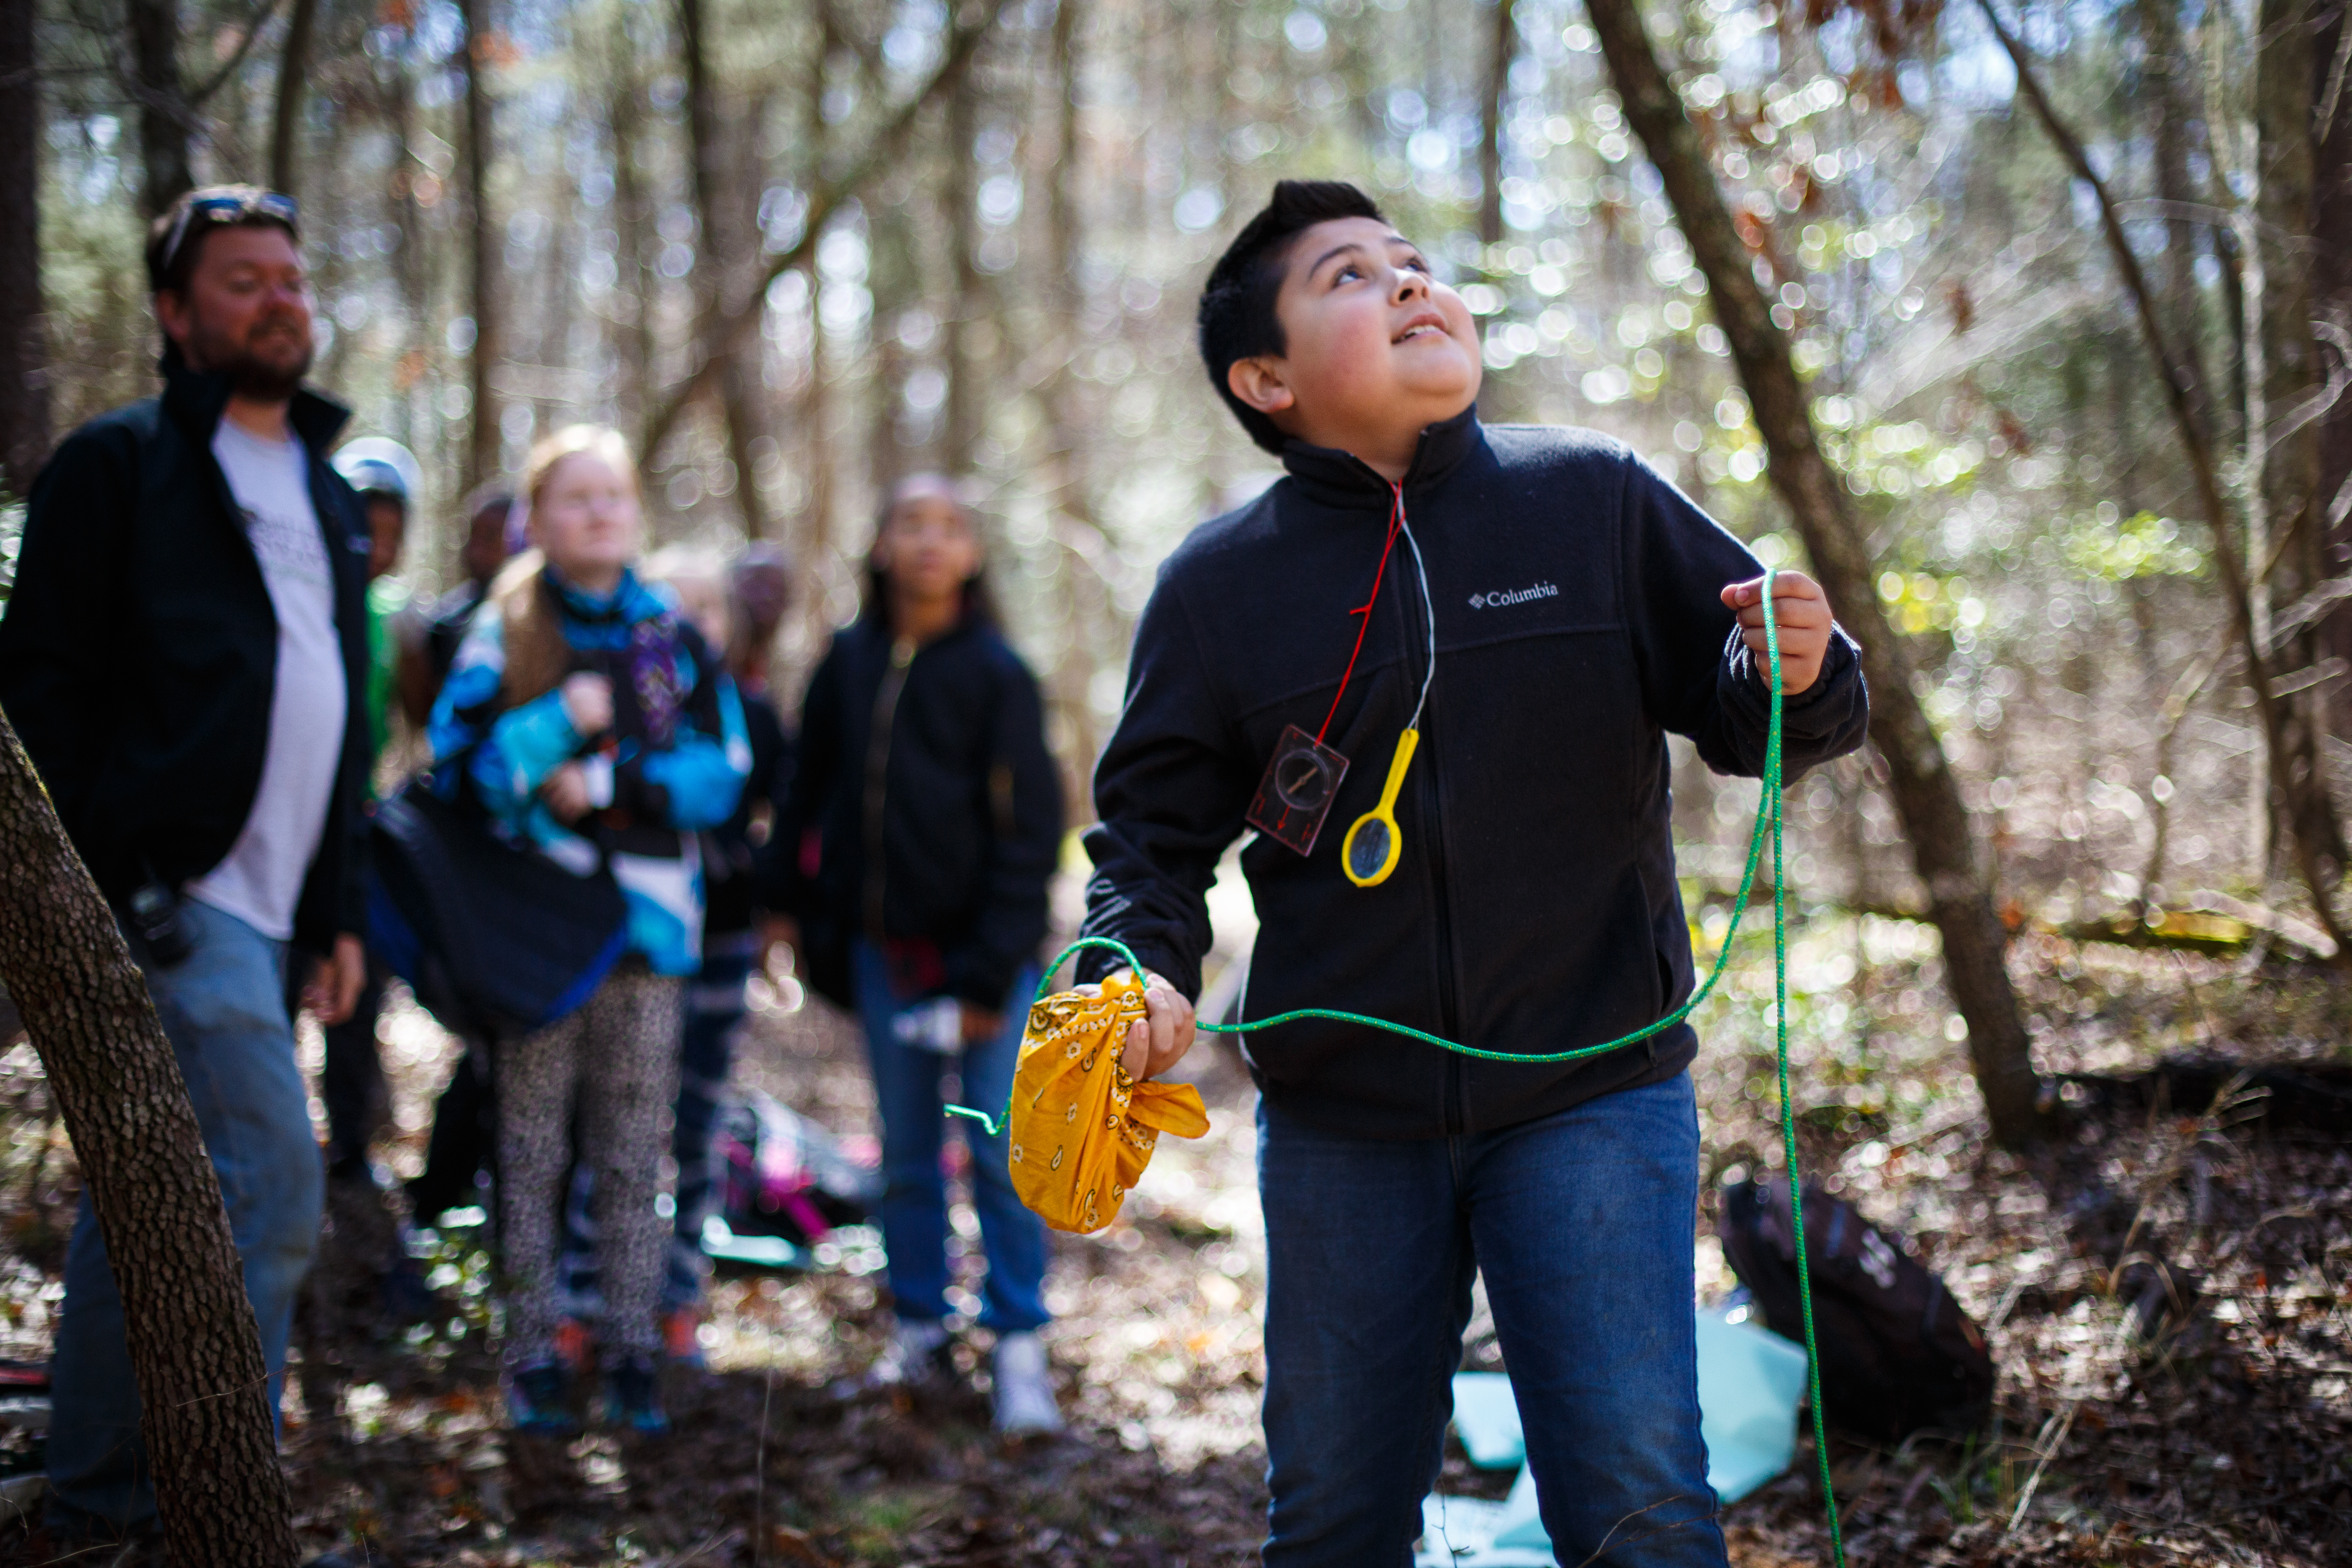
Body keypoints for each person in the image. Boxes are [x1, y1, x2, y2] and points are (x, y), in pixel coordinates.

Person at [1074, 181, 1870, 1565]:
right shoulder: (1216, 588)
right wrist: (1131, 970)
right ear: (1265, 382)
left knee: (1634, 1502)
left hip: (1591, 1100)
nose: (1402, 284)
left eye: (1412, 263)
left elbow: (1768, 711)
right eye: (1344, 278)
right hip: (1342, 1129)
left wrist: (1798, 663)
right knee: (1331, 1514)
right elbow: (1145, 840)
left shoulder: (1596, 502)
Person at [0, 184, 372, 1543]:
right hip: (173, 898)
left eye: (289, 274)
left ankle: (99, 1502)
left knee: (146, 1194)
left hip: (279, 911)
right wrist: (107, 883)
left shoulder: (329, 495)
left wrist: (335, 912)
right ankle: (210, 1515)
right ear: (173, 313)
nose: (277, 297)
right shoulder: (121, 464)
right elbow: (39, 687)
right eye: (238, 279)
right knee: (270, 1185)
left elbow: (344, 710)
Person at [426, 424, 748, 1438]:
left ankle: (631, 1352)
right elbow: (457, 769)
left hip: (650, 939)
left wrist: (611, 778)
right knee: (526, 1146)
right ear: (538, 517)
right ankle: (528, 1353)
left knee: (632, 1149)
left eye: (613, 494)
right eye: (574, 497)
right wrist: (556, 721)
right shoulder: (504, 627)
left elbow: (723, 774)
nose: (599, 512)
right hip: (531, 937)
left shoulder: (672, 634)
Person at [768, 476, 1065, 1434]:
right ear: (884, 546)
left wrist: (988, 976)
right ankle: (918, 1330)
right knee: (904, 1155)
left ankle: (1018, 1343)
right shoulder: (846, 664)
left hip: (984, 966)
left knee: (997, 1151)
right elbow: (802, 792)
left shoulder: (998, 674)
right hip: (878, 956)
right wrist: (787, 911)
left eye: (949, 528)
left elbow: (1033, 834)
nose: (930, 543)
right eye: (911, 524)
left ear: (971, 554)